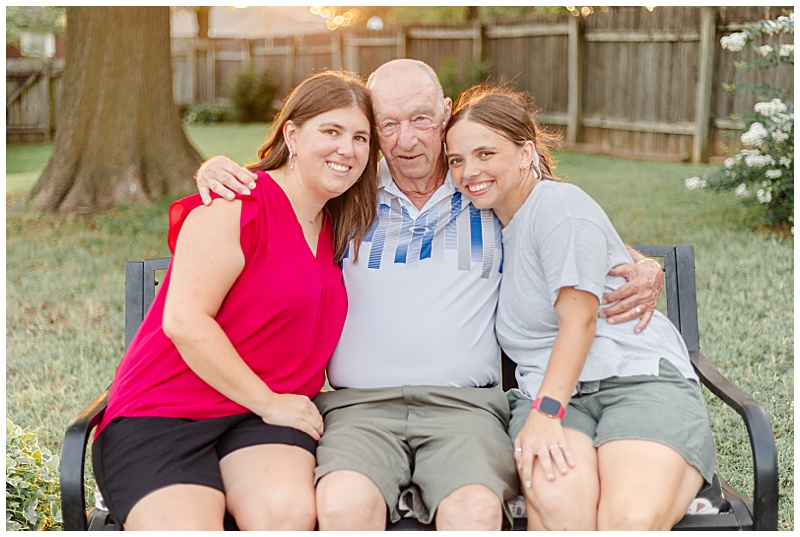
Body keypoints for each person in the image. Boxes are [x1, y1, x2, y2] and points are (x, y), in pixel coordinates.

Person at [195, 59, 664, 530]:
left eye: (420, 119)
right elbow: (278, 195)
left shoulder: (483, 184)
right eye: (388, 125)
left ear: (444, 113)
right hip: (359, 408)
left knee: (474, 508)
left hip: (464, 409)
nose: (406, 140)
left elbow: (566, 225)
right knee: (342, 503)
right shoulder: (346, 189)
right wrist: (217, 169)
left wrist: (643, 264)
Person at [90, 70, 379, 531]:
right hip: (169, 409)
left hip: (263, 418)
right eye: (331, 130)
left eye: (360, 137)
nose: (347, 148)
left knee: (286, 515)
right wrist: (267, 401)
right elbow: (184, 320)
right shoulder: (237, 200)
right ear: (293, 134)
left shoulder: (339, 222)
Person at [444, 84, 717, 530]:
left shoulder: (559, 206)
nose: (469, 171)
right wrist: (641, 259)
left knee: (628, 519)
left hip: (635, 381)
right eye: (456, 160)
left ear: (525, 152)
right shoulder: (484, 218)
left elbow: (580, 320)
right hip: (555, 394)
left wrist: (545, 415)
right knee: (561, 510)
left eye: (485, 154)